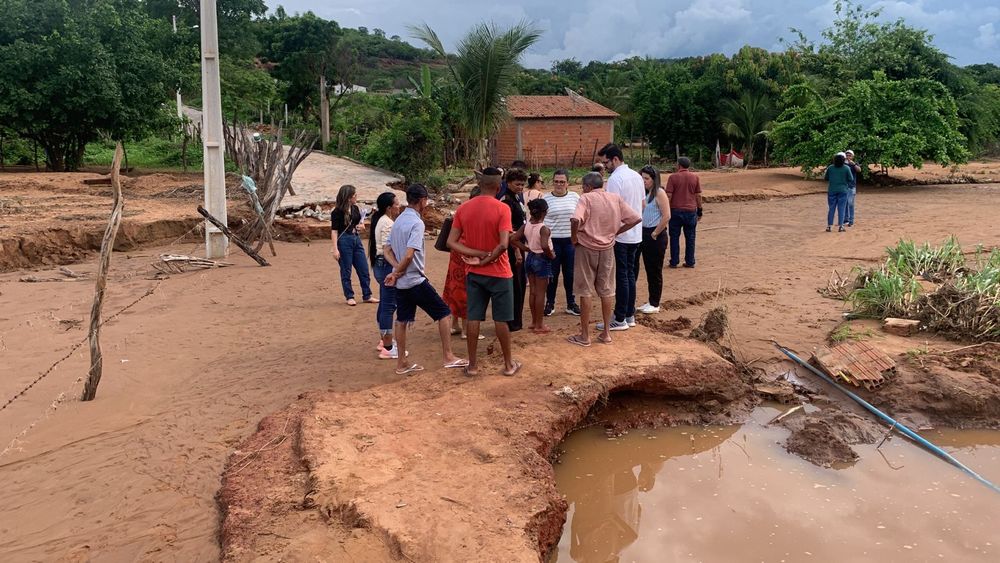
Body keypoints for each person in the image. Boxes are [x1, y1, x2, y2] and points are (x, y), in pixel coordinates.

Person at [384, 184, 467, 375]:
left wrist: (396, 270)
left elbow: (387, 250)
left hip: (403, 282)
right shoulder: (416, 223)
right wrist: (398, 271)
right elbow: (409, 255)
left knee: (402, 320)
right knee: (444, 313)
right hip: (414, 279)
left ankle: (401, 363)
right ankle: (448, 356)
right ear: (422, 200)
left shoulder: (398, 220)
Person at [447, 168, 522, 377]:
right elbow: (503, 244)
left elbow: (451, 242)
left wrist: (476, 256)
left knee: (473, 317)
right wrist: (487, 258)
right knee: (501, 319)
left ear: (480, 185)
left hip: (473, 272)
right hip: (499, 272)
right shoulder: (502, 209)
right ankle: (508, 365)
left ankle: (472, 365)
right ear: (499, 187)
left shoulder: (464, 208)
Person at [567, 172, 641, 347]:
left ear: (587, 186)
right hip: (607, 248)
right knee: (606, 290)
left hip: (586, 248)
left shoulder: (586, 199)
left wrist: (574, 238)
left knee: (585, 291)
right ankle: (606, 333)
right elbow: (635, 218)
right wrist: (615, 232)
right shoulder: (614, 198)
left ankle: (584, 336)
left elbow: (575, 219)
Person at [597, 143, 644, 331]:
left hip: (622, 234)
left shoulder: (616, 179)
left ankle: (620, 317)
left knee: (622, 276)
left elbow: (611, 209)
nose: (605, 167)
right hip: (635, 234)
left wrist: (610, 230)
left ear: (615, 159)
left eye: (606, 162)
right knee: (630, 274)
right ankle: (629, 314)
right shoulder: (636, 176)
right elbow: (642, 204)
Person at [369, 192, 403, 359]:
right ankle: (388, 347)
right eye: (397, 204)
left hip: (380, 265)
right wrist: (398, 267)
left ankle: (384, 341)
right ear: (389, 207)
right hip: (386, 266)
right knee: (389, 306)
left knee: (385, 304)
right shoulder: (388, 223)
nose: (399, 206)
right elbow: (388, 248)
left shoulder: (382, 220)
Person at [514, 199, 556, 333]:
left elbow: (513, 239)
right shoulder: (543, 228)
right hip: (541, 259)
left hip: (530, 257)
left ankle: (533, 322)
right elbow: (544, 245)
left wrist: (525, 249)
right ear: (545, 212)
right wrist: (551, 255)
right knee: (540, 293)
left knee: (533, 291)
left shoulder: (526, 226)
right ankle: (539, 324)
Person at [543, 169, 581, 317]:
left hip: (570, 241)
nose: (559, 184)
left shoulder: (575, 197)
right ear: (553, 182)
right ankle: (550, 303)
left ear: (567, 183)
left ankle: (571, 303)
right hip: (553, 242)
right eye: (556, 181)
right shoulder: (546, 199)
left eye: (562, 182)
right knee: (552, 273)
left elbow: (580, 216)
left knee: (570, 273)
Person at [331, 184, 376, 306]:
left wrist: (360, 226)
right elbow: (334, 231)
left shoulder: (355, 209)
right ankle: (349, 296)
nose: (356, 197)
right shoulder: (337, 212)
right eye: (354, 195)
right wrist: (335, 249)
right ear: (348, 197)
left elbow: (358, 224)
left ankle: (367, 294)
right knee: (346, 270)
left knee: (363, 268)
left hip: (356, 239)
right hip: (344, 241)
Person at [637, 165, 671, 314]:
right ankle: (651, 301)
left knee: (655, 270)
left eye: (647, 178)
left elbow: (666, 216)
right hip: (643, 233)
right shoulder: (645, 194)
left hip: (655, 235)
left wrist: (655, 233)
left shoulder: (659, 193)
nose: (644, 181)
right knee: (649, 269)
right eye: (642, 178)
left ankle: (655, 303)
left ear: (654, 179)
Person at [500, 168, 529, 332]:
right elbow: (508, 228)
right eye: (517, 184)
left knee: (520, 284)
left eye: (522, 184)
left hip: (518, 244)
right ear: (509, 183)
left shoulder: (516, 198)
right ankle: (511, 322)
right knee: (514, 285)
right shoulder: (506, 201)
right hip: (513, 247)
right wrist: (517, 250)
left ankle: (516, 320)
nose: (520, 187)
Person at [664, 157, 703, 269]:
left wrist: (666, 210)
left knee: (674, 237)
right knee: (690, 237)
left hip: (675, 211)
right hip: (691, 211)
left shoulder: (673, 177)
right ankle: (690, 261)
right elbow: (698, 195)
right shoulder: (695, 177)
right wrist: (699, 210)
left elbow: (669, 195)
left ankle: (674, 261)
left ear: (679, 165)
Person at [825, 152, 853, 232]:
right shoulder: (846, 168)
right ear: (843, 160)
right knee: (842, 208)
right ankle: (841, 226)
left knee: (831, 208)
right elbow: (850, 179)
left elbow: (826, 178)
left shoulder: (830, 168)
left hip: (832, 190)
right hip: (843, 190)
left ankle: (829, 226)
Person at [845, 150, 861, 227]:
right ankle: (845, 220)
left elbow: (859, 170)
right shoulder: (843, 164)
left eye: (850, 155)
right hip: (844, 186)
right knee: (844, 203)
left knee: (850, 203)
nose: (848, 157)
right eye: (847, 155)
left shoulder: (854, 164)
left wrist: (854, 164)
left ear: (852, 156)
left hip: (851, 186)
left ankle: (851, 220)